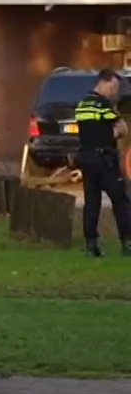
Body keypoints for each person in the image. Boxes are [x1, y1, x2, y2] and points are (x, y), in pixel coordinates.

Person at [73, 68, 131, 258]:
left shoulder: (81, 104)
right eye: (113, 87)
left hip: (87, 158)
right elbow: (122, 129)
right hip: (105, 160)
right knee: (120, 200)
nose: (114, 92)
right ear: (103, 82)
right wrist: (112, 134)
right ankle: (127, 243)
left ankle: (91, 245)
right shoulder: (104, 105)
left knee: (92, 202)